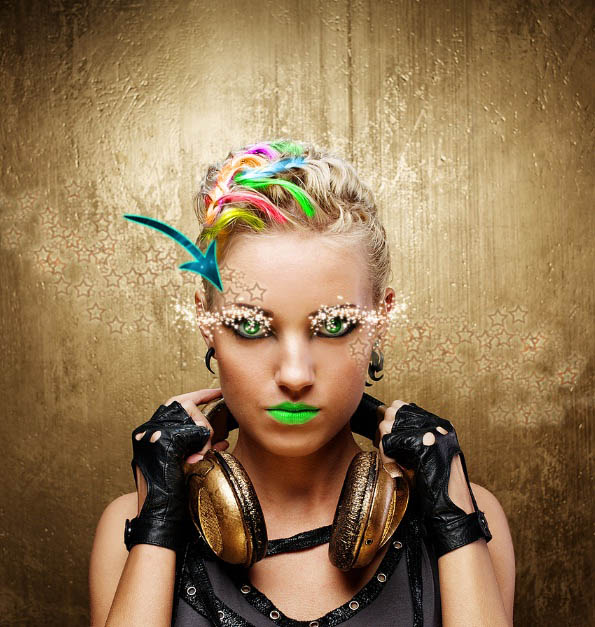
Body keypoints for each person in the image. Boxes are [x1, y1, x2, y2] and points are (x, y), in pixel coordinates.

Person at [89, 140, 515, 626]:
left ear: (379, 320)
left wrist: (451, 509)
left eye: (334, 325)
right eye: (250, 326)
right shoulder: (130, 525)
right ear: (207, 322)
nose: (294, 375)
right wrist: (159, 522)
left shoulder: (470, 516)